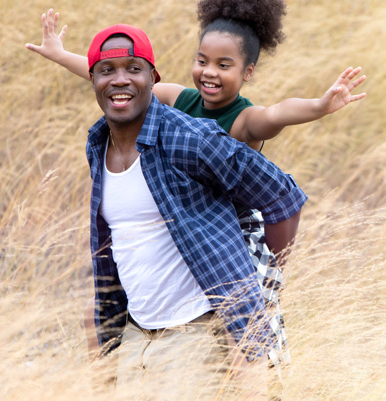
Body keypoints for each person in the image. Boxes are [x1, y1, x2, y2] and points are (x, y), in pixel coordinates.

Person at [26, 0, 366, 374]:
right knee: (94, 314)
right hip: (189, 227)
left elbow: (278, 114)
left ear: (248, 72)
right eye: (202, 61)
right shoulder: (179, 98)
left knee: (247, 346)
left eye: (225, 66)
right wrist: (60, 54)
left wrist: (320, 106)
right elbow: (121, 80)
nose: (209, 73)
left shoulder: (243, 119)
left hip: (233, 233)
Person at [80, 23, 306, 398]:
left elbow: (282, 195)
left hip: (195, 332)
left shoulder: (190, 137)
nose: (120, 80)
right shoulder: (97, 143)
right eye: (107, 71)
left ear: (153, 78)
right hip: (138, 334)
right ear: (92, 78)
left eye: (133, 69)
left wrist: (266, 277)